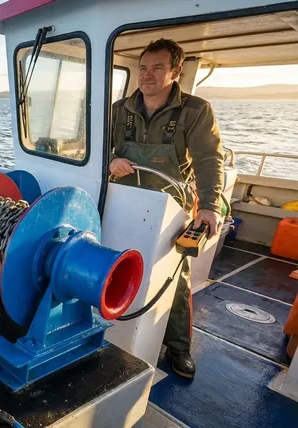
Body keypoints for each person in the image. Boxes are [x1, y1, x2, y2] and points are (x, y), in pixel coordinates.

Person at [109, 38, 224, 379]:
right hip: (123, 203)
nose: (147, 75)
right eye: (143, 68)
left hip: (171, 209)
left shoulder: (195, 110)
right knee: (115, 262)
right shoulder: (118, 110)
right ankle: (111, 326)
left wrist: (209, 206)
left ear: (175, 72)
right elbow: (96, 149)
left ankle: (178, 347)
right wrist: (111, 160)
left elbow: (208, 159)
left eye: (158, 68)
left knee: (175, 277)